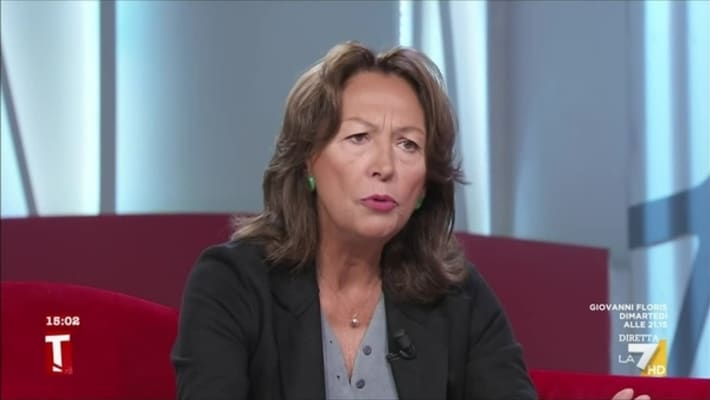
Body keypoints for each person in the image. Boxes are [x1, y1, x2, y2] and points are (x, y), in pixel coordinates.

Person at [171, 41, 648, 400]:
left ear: (424, 188)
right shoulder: (233, 283)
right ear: (308, 162)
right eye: (359, 138)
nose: (385, 166)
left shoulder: (458, 299)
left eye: (408, 145)